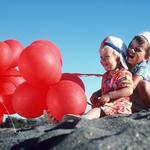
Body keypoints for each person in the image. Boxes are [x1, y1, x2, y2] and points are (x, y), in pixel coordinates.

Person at [64, 36, 133, 120]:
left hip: (120, 107)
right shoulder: (106, 76)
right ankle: (85, 117)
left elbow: (128, 90)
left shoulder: (123, 73)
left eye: (106, 57)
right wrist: (97, 94)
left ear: (118, 59)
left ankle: (85, 118)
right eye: (101, 57)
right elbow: (107, 88)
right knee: (97, 108)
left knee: (98, 110)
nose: (103, 61)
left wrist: (109, 96)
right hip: (108, 107)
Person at [127, 31, 150, 112]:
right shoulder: (126, 65)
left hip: (142, 101)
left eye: (137, 49)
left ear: (146, 57)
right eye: (130, 46)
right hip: (133, 102)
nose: (131, 50)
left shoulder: (143, 68)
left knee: (142, 85)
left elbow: (131, 86)